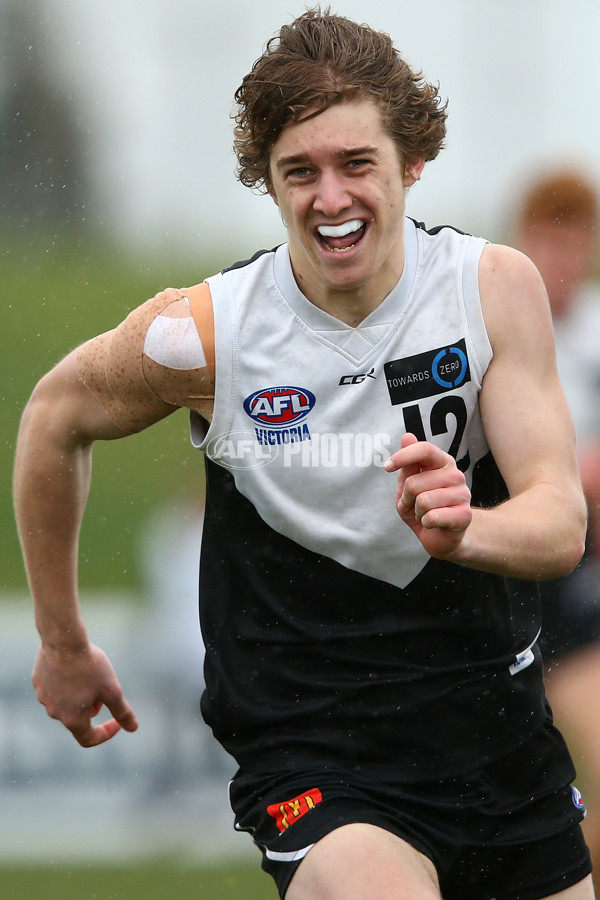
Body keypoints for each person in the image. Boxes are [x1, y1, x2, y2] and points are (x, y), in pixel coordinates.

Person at [13, 9, 594, 899]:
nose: (330, 199)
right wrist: (60, 638)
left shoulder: (490, 293)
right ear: (268, 180)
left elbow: (559, 522)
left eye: (357, 163)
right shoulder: (207, 335)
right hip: (316, 758)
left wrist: (464, 528)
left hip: (497, 744)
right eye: (301, 171)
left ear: (413, 162)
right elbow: (53, 418)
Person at [513, 169, 600, 893]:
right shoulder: (507, 331)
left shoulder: (596, 331)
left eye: (575, 246)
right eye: (549, 244)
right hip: (529, 585)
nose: (561, 265)